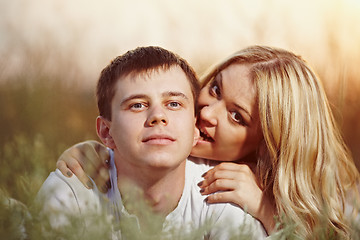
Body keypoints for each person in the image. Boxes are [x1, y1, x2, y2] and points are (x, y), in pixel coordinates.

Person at [57, 45, 360, 239]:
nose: (207, 111)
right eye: (215, 89)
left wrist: (265, 209)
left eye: (237, 117)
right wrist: (98, 150)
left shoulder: (252, 202)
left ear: (266, 146)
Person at [36, 46, 266, 239]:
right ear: (106, 131)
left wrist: (266, 208)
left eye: (174, 104)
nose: (158, 115)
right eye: (137, 105)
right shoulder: (74, 186)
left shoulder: (229, 196)